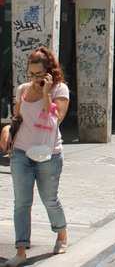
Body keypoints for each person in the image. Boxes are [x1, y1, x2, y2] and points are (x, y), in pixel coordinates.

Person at [0, 47, 70, 265]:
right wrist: (7, 129)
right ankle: (21, 251)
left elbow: (55, 120)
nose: (34, 79)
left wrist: (46, 93)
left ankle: (61, 233)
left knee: (49, 199)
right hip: (22, 152)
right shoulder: (22, 89)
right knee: (22, 202)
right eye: (31, 74)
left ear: (49, 72)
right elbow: (18, 118)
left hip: (49, 154)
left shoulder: (60, 90)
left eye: (39, 74)